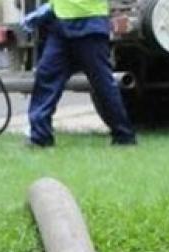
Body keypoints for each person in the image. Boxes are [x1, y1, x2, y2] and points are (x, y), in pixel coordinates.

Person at [20, 0, 136, 148]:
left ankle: (124, 136)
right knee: (46, 76)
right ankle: (39, 137)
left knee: (102, 85)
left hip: (90, 24)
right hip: (62, 25)